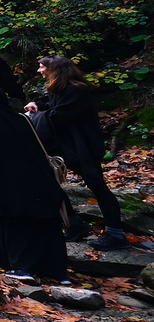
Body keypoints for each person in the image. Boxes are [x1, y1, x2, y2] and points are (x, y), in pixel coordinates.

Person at [25, 56, 127, 250]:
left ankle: (116, 234)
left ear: (55, 70)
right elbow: (55, 109)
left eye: (42, 67)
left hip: (83, 147)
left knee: (97, 186)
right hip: (66, 146)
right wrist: (39, 106)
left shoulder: (76, 90)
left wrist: (37, 116)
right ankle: (73, 223)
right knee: (47, 180)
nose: (39, 71)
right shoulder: (60, 89)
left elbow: (59, 116)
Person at [0, 86, 67, 280]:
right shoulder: (19, 121)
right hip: (35, 184)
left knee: (13, 226)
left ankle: (20, 267)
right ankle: (56, 270)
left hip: (1, 189)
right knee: (44, 224)